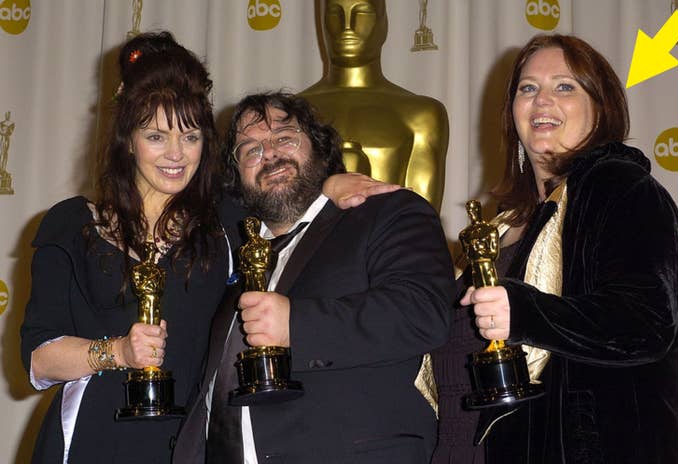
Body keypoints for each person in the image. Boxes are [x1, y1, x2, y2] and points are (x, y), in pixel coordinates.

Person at [20, 31, 399, 464]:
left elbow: (287, 202)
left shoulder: (228, 219)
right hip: (91, 438)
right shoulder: (73, 223)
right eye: (156, 136)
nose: (176, 154)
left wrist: (328, 185)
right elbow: (39, 360)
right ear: (128, 139)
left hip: (192, 443)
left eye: (190, 136)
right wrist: (118, 352)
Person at [431, 33, 678, 464]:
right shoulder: (501, 226)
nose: (542, 100)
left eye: (565, 86)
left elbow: (646, 321)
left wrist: (525, 312)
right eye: (527, 88)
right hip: (463, 447)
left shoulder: (622, 188)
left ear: (601, 108)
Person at [172, 91, 454, 464]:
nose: (269, 154)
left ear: (320, 148)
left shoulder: (386, 212)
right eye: (250, 150)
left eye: (285, 137)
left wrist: (296, 325)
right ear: (237, 178)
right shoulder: (237, 255)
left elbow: (422, 313)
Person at [298, 0, 449, 211]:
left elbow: (422, 218)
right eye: (334, 14)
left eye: (361, 13)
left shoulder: (422, 115)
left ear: (383, 24)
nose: (347, 26)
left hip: (391, 231)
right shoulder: (289, 114)